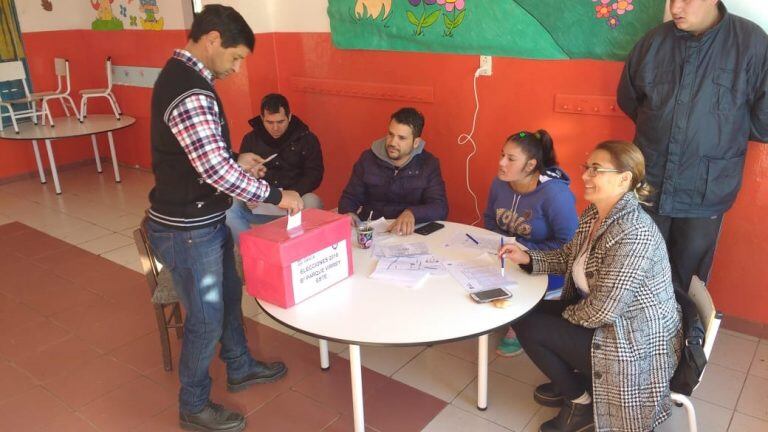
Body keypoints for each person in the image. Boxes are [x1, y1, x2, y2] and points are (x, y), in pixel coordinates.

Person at [144, 5, 304, 432]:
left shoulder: (185, 75)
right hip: (187, 230)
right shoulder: (191, 89)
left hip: (202, 221)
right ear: (212, 39)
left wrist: (236, 159)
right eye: (235, 57)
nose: (235, 68)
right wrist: (276, 195)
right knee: (205, 319)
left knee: (229, 293)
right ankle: (193, 405)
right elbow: (212, 171)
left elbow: (204, 158)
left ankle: (239, 365)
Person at [499, 141, 682, 432]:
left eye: (596, 170)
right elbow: (568, 256)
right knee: (524, 312)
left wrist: (563, 318)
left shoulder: (633, 232)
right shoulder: (595, 214)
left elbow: (602, 311)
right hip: (605, 314)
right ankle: (574, 383)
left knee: (535, 327)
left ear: (624, 179)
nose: (584, 176)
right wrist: (527, 257)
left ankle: (579, 402)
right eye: (587, 168)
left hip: (630, 339)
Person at [617, 0, 768, 292]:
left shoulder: (752, 44)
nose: (675, 8)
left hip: (705, 190)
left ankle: (687, 336)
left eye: (686, 0)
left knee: (689, 280)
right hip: (651, 181)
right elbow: (629, 99)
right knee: (639, 269)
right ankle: (637, 336)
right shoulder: (653, 42)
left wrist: (721, 134)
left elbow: (763, 122)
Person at [484, 130, 578, 357]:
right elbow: (489, 218)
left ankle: (519, 326)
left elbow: (570, 245)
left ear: (530, 165)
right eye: (502, 155)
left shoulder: (555, 195)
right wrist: (504, 244)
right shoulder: (499, 184)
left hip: (546, 268)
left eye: (511, 159)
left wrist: (526, 253)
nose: (501, 163)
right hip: (508, 258)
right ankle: (507, 312)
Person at [226, 93, 324, 243]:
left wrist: (293, 193)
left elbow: (315, 173)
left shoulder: (306, 138)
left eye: (280, 121)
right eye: (269, 122)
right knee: (230, 207)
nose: (275, 128)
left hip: (294, 201)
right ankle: (251, 250)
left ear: (289, 117)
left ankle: (302, 253)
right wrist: (249, 194)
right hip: (261, 201)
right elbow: (242, 175)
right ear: (262, 118)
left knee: (313, 201)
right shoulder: (251, 139)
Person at [338, 107, 448, 235]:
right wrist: (349, 213)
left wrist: (412, 213)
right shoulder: (368, 159)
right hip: (372, 231)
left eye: (401, 138)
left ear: (416, 142)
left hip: (409, 233)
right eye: (391, 134)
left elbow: (440, 207)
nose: (392, 142)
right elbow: (349, 197)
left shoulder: (428, 164)